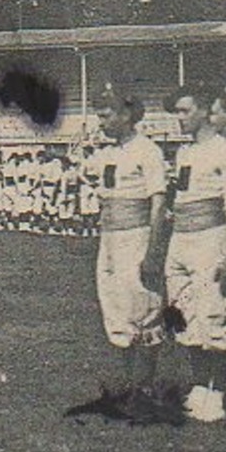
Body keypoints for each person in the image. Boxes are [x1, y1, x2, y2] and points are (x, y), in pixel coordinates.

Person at [65, 89, 170, 423]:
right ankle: (128, 386)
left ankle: (145, 386)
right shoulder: (108, 153)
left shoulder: (148, 151)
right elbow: (89, 176)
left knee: (143, 306)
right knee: (114, 307)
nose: (102, 121)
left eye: (107, 114)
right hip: (109, 238)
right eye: (99, 114)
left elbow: (158, 202)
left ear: (127, 114)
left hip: (136, 237)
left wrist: (153, 249)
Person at [162, 85, 226, 424]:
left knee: (214, 312)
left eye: (184, 111)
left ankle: (216, 389)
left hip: (212, 237)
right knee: (183, 311)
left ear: (205, 109)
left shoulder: (225, 151)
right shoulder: (185, 154)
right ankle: (199, 384)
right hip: (181, 238)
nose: (179, 119)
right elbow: (181, 198)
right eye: (177, 112)